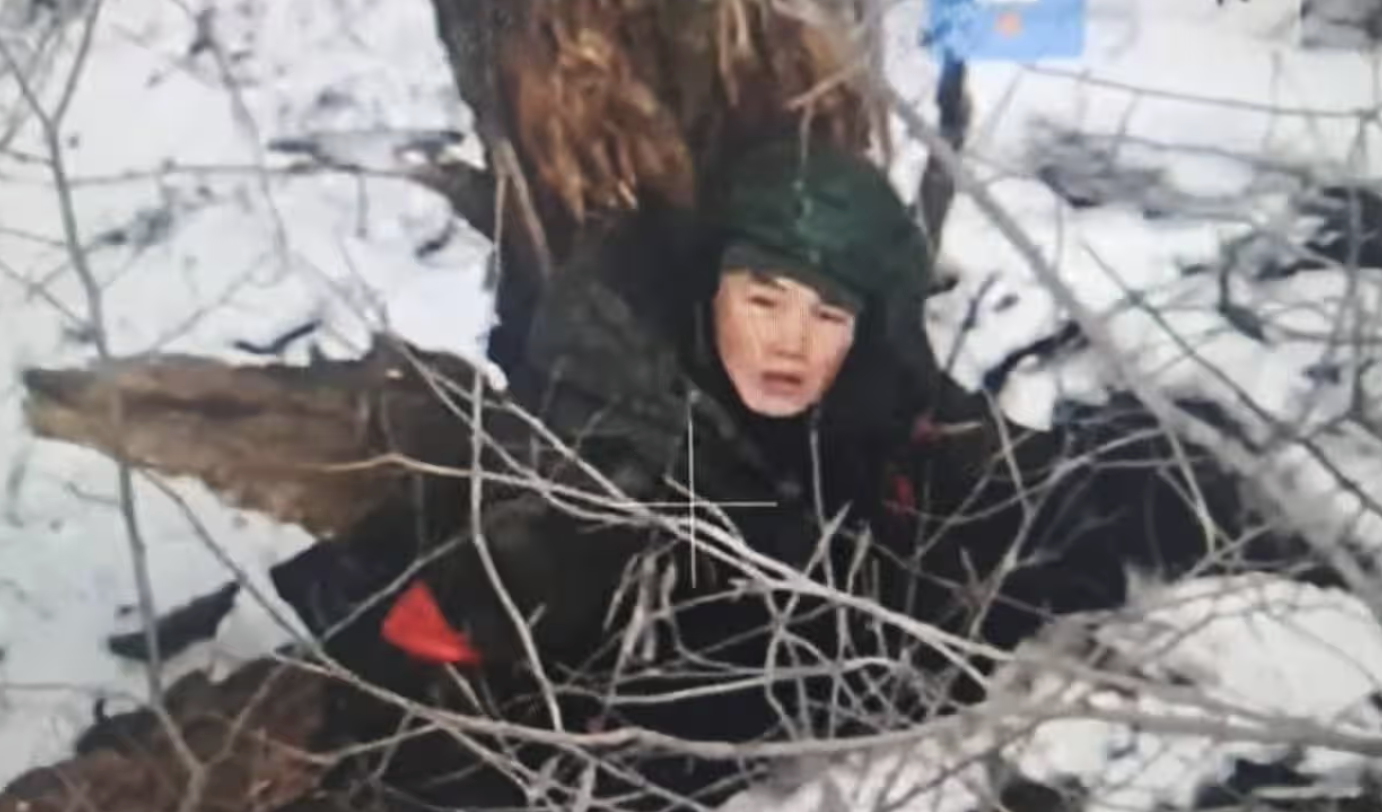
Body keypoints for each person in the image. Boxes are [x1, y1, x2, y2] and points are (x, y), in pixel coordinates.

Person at [270, 137, 945, 809]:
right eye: (763, 302)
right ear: (708, 296)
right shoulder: (592, 491)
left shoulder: (858, 446)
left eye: (828, 315)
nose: (791, 342)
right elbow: (413, 700)